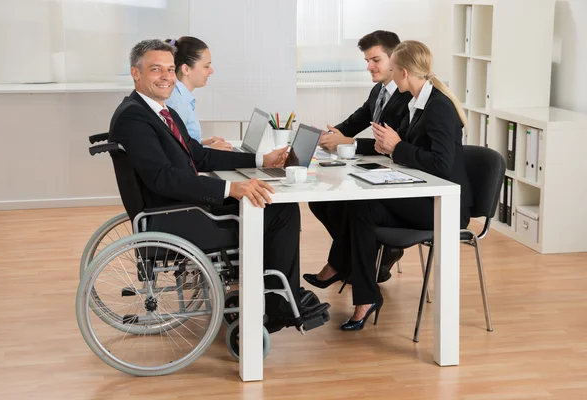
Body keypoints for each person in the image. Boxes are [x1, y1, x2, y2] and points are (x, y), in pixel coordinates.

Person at [108, 39, 329, 332]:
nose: (166, 76)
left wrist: (263, 159)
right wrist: (229, 189)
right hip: (174, 217)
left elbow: (198, 156)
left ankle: (279, 295)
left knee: (274, 206)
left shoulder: (159, 111)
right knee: (280, 211)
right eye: (156, 69)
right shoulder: (135, 117)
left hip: (181, 208)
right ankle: (281, 304)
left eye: (170, 69)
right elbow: (162, 178)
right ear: (136, 73)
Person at [306, 40, 473, 331]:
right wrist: (389, 145)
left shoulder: (438, 107)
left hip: (442, 204)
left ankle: (344, 272)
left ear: (404, 72)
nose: (391, 75)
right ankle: (365, 296)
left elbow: (442, 165)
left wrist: (396, 147)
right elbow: (407, 147)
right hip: (420, 190)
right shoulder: (417, 102)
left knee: (360, 205)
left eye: (393, 68)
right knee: (359, 206)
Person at [308, 30, 413, 285]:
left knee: (347, 205)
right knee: (320, 202)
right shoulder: (379, 91)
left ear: (395, 59)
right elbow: (357, 119)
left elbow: (395, 143)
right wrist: (332, 135)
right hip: (378, 168)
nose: (369, 66)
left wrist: (349, 142)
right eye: (367, 60)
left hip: (396, 173)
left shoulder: (408, 94)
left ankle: (351, 261)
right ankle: (368, 255)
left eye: (375, 60)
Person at [165, 36, 232, 151]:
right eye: (206, 66)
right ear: (186, 69)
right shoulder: (177, 103)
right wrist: (210, 149)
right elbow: (176, 151)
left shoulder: (181, 97)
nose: (211, 71)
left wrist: (201, 142)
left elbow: (181, 140)